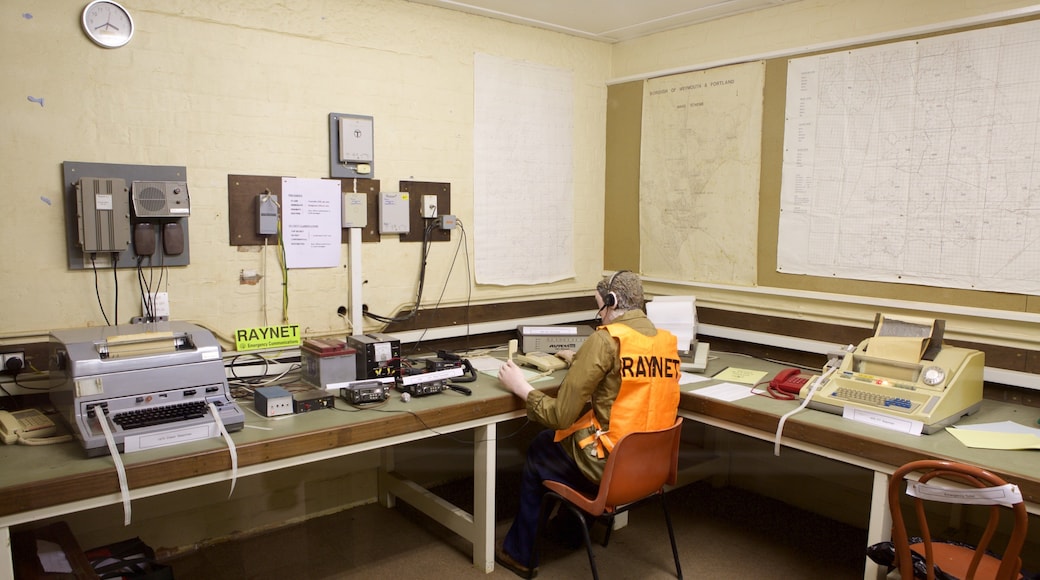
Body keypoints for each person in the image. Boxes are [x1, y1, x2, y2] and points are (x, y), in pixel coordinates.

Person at [494, 270, 682, 577]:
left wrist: (522, 388)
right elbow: (631, 380)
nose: (601, 318)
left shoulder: (605, 340)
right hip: (648, 469)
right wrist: (579, 359)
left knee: (543, 446)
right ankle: (568, 534)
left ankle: (519, 553)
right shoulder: (665, 342)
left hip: (609, 469)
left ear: (612, 301)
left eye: (601, 308)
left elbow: (559, 416)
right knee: (577, 441)